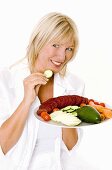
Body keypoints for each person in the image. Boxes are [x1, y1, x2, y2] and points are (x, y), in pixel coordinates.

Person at [0, 12, 87, 170]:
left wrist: (66, 108)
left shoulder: (74, 85)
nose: (62, 56)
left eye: (69, 48)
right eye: (56, 45)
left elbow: (70, 147)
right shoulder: (5, 80)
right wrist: (27, 101)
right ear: (39, 41)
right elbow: (3, 146)